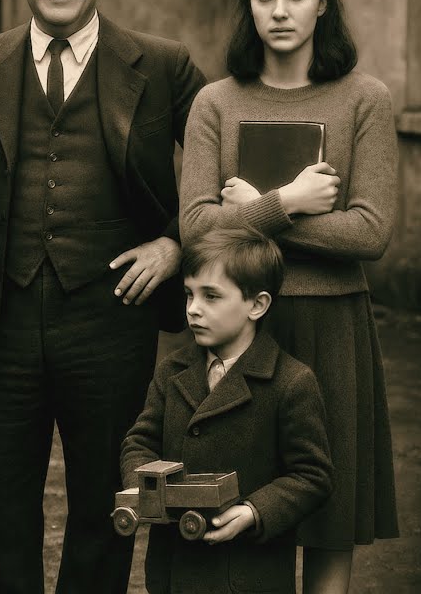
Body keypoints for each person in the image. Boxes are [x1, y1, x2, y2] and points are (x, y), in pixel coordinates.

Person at [0, 0, 207, 594]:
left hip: (112, 322)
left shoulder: (164, 65)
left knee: (105, 504)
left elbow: (223, 172)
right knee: (1, 506)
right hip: (0, 322)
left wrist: (174, 246)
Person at [179, 0, 401, 594]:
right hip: (239, 332)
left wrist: (261, 210)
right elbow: (195, 229)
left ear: (322, 4)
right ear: (248, 6)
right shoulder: (216, 102)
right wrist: (290, 202)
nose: (279, 10)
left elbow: (370, 233)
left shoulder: (366, 99)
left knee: (328, 514)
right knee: (243, 514)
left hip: (333, 329)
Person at [121, 225, 333, 594]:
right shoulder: (172, 371)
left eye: (211, 296)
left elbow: (311, 476)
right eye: (188, 295)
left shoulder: (291, 382)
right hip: (173, 570)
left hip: (247, 574)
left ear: (257, 305)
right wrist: (143, 488)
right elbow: (139, 441)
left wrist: (254, 511)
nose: (193, 310)